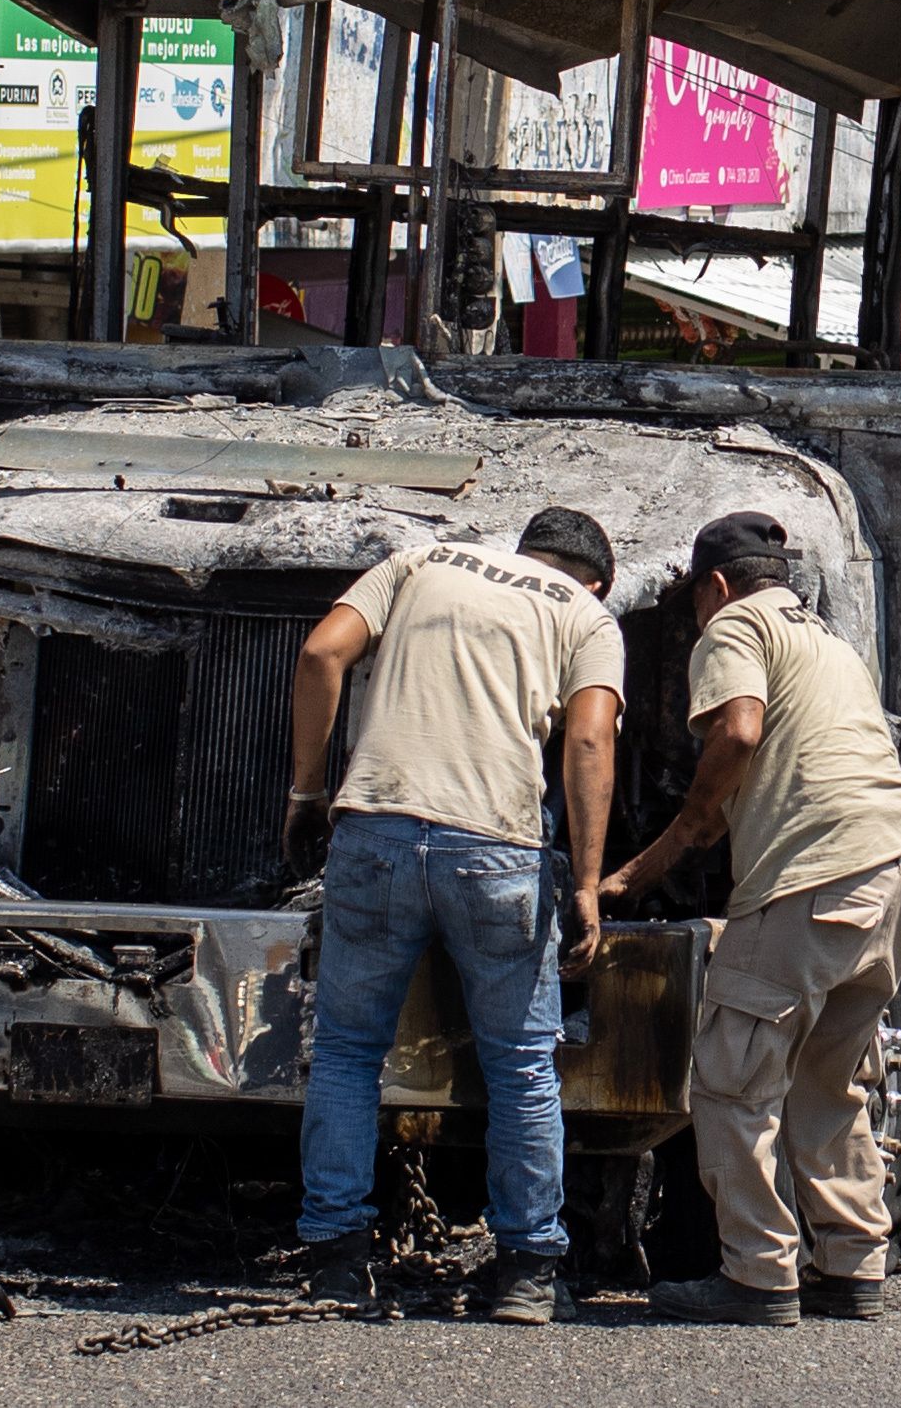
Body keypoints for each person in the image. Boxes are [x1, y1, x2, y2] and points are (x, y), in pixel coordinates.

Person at [284, 506, 624, 1323]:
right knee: (520, 1068)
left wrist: (305, 791)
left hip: (375, 829)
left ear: (520, 552)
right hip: (496, 847)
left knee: (345, 1053)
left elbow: (321, 651)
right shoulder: (585, 614)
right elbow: (586, 741)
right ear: (598, 576)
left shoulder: (419, 560)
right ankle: (526, 1273)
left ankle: (334, 1261)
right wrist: (583, 881)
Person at [601, 512, 901, 1327]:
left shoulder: (735, 625)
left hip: (808, 880)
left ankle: (756, 1275)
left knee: (730, 1078)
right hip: (891, 871)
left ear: (713, 585)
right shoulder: (822, 637)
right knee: (829, 1079)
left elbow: (738, 729)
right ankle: (851, 1264)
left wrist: (658, 856)